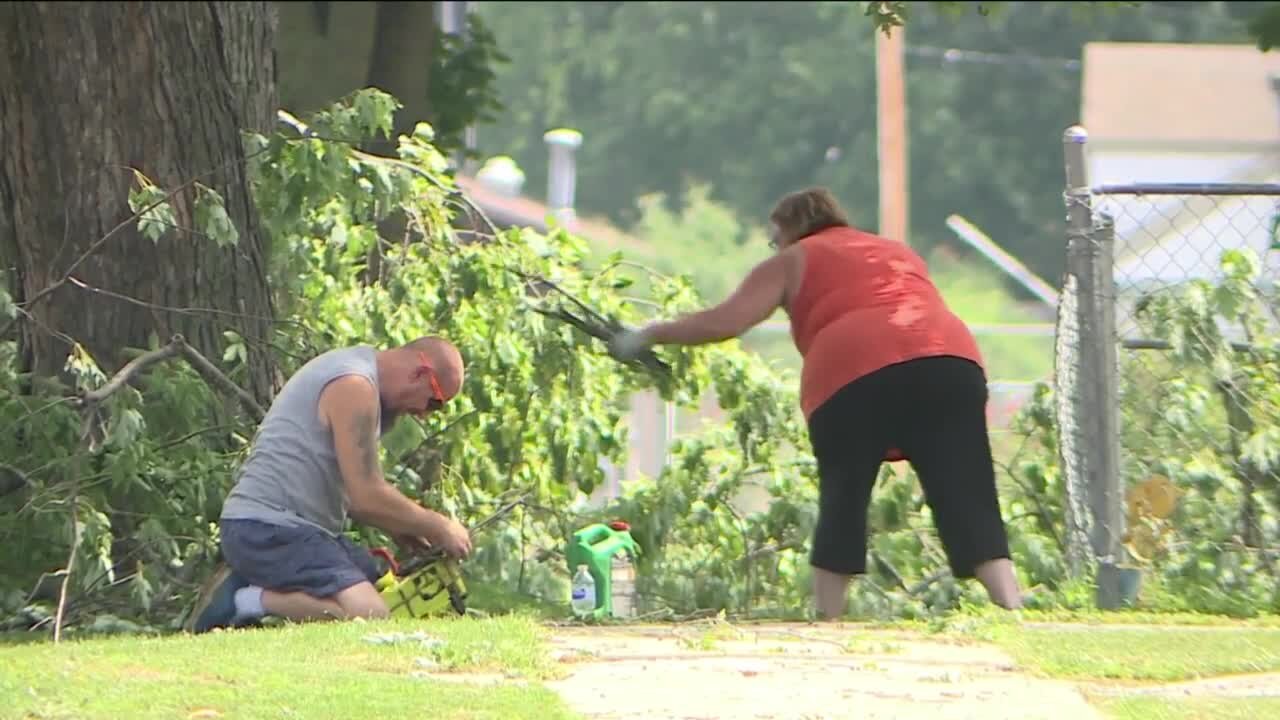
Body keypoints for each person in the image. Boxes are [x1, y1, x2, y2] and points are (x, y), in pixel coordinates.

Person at [609, 187, 1024, 619]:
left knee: (844, 491)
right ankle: (1011, 604)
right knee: (967, 486)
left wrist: (649, 333)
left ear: (788, 230)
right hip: (948, 360)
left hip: (855, 369)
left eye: (775, 239)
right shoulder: (893, 251)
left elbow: (726, 321)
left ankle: (830, 619)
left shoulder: (792, 259)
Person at [186, 336, 474, 633]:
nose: (425, 414)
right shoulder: (355, 386)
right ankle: (245, 600)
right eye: (434, 402)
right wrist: (438, 525)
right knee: (371, 613)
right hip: (268, 528)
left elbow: (353, 493)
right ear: (420, 373)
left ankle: (258, 588)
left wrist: (401, 527)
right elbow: (366, 496)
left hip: (298, 530)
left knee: (381, 583)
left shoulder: (363, 383)